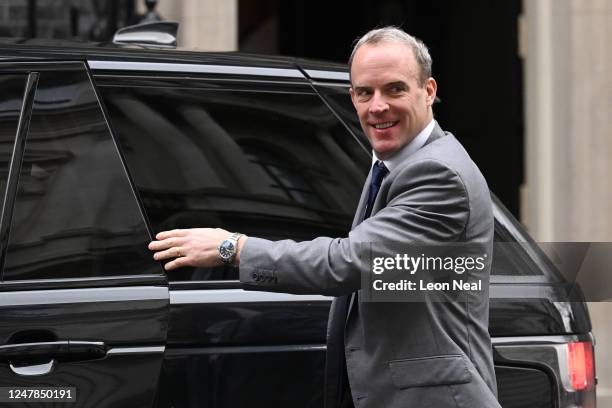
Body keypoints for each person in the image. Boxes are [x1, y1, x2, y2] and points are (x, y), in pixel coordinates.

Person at [149, 27, 501, 408]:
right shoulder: (393, 160)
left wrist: (232, 247)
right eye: (365, 93)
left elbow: (348, 262)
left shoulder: (437, 173)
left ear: (428, 91)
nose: (377, 106)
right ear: (352, 97)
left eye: (394, 89)